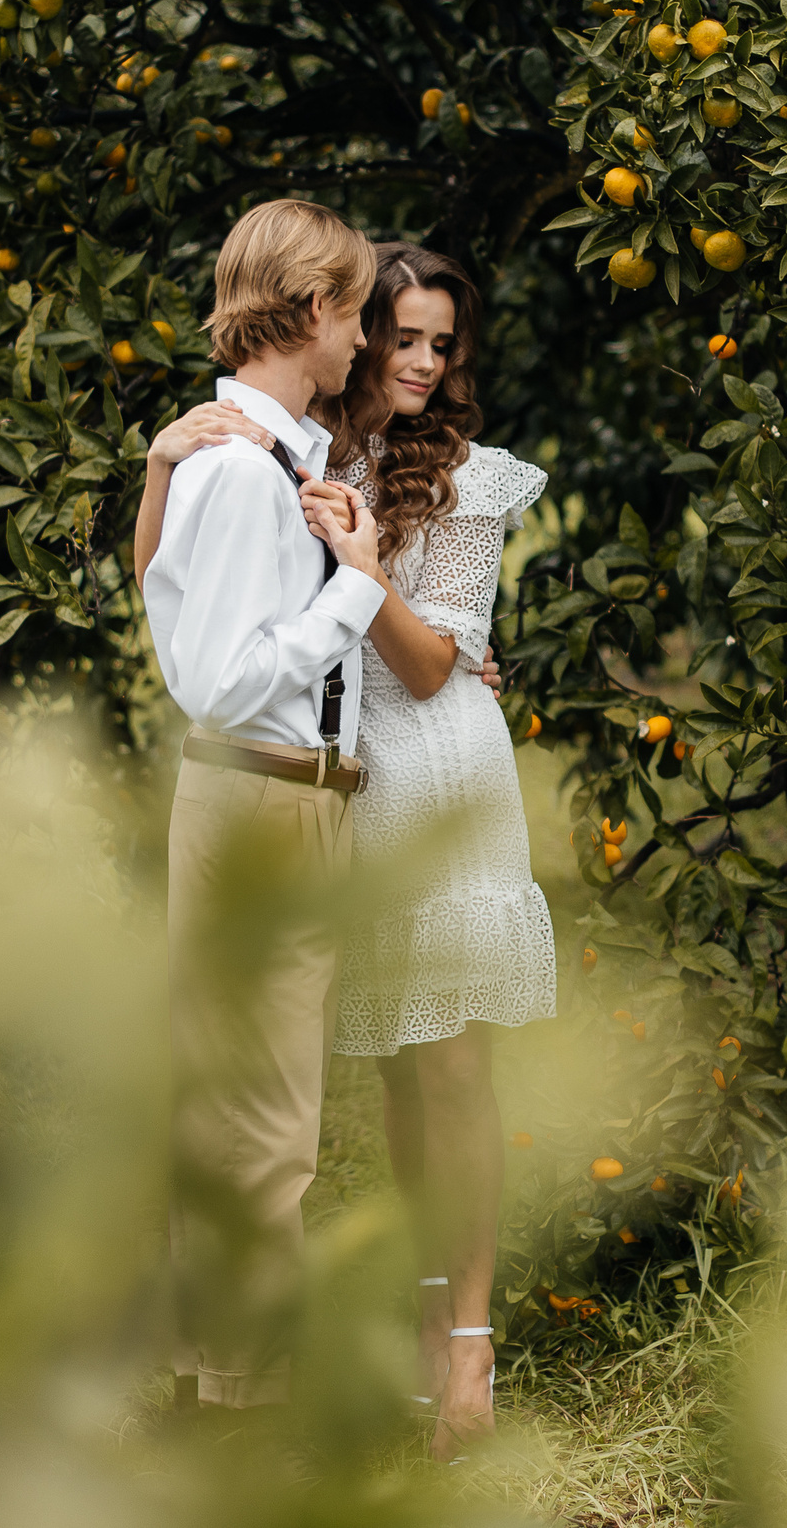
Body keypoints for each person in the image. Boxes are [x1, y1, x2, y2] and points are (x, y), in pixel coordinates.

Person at [138, 243, 556, 1461]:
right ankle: (357, 1333)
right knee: (367, 1077)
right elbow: (190, 596)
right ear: (351, 328)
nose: (420, 361)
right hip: (332, 773)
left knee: (448, 1068)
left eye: (442, 344)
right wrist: (162, 464)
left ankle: (465, 1342)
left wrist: (366, 572)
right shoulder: (297, 452)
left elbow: (430, 667)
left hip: (434, 769)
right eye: (402, 334)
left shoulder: (460, 477)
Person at [139, 198, 382, 1415]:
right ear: (311, 309)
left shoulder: (268, 459)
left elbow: (166, 596)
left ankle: (213, 1381)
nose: (365, 339)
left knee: (241, 1102)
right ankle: (240, 1405)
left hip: (278, 798)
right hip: (261, 797)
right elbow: (220, 678)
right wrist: (359, 589)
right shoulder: (242, 470)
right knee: (264, 1116)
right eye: (357, 313)